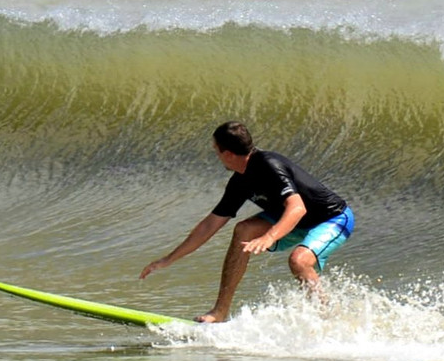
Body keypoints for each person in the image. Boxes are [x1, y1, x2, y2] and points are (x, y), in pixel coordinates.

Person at [139, 121, 354, 323]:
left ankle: (328, 318)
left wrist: (269, 236)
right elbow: (210, 224)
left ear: (228, 154)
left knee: (298, 261)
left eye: (216, 151)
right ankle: (220, 312)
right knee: (243, 230)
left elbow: (297, 208)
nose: (217, 156)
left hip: (332, 219)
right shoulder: (239, 182)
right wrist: (168, 259)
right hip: (292, 221)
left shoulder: (269, 165)